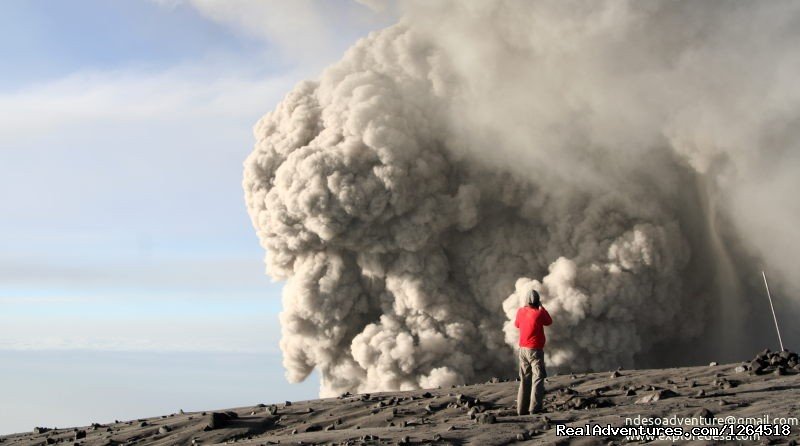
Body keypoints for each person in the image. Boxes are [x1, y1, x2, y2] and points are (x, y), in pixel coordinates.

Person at [514, 289, 552, 415]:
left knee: (524, 379)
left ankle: (521, 409)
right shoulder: (539, 313)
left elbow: (517, 325)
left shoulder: (520, 311)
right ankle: (535, 409)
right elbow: (549, 321)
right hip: (535, 350)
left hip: (522, 350)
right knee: (538, 377)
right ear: (537, 301)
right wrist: (542, 307)